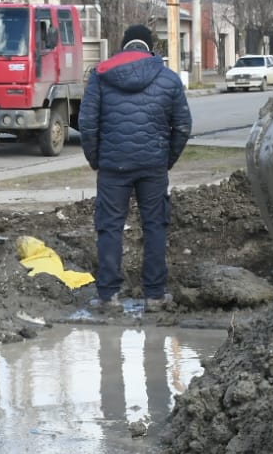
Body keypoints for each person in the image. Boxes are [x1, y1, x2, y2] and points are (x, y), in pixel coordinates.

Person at [78, 24, 193, 313]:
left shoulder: (101, 76)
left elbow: (88, 124)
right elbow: (182, 125)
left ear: (124, 46)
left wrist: (96, 159)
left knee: (110, 226)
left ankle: (108, 297)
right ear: (150, 47)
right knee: (155, 225)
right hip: (153, 165)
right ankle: (154, 296)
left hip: (112, 166)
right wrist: (166, 160)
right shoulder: (168, 79)